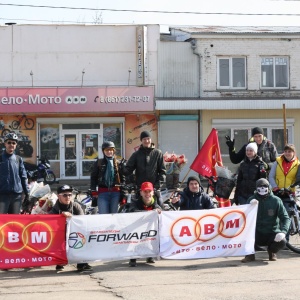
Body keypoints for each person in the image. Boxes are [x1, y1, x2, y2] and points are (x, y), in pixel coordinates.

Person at [241, 178, 290, 263]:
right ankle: (249, 254)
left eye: (265, 186)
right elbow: (244, 217)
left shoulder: (276, 201)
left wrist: (283, 232)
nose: (262, 188)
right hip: (256, 233)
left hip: (271, 232)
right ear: (256, 188)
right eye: (260, 186)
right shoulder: (251, 200)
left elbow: (285, 218)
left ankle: (272, 252)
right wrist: (249, 206)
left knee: (282, 241)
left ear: (269, 187)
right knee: (243, 233)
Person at [49, 184, 93, 272]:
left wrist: (71, 217)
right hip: (60, 236)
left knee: (85, 236)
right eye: (64, 195)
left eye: (70, 195)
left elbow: (82, 221)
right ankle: (60, 261)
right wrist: (61, 216)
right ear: (58, 196)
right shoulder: (54, 209)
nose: (68, 197)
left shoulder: (76, 206)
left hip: (74, 234)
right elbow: (49, 221)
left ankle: (81, 263)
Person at [127, 181, 162, 267]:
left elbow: (161, 209)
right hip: (136, 229)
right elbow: (132, 211)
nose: (147, 194)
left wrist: (158, 211)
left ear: (153, 192)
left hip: (149, 230)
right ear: (141, 193)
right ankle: (133, 257)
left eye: (149, 191)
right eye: (145, 191)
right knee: (134, 236)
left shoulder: (156, 204)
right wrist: (149, 213)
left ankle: (150, 255)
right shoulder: (135, 202)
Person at [124, 130, 166, 195]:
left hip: (154, 188)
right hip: (140, 188)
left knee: (158, 204)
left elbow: (162, 171)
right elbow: (128, 170)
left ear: (151, 139)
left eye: (148, 138)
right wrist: (132, 182)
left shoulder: (158, 153)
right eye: (144, 139)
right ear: (141, 140)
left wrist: (157, 186)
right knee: (138, 205)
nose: (146, 141)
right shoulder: (136, 154)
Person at [90, 141, 125, 214]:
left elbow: (123, 178)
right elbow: (93, 177)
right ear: (103, 151)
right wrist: (93, 190)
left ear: (113, 151)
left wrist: (123, 193)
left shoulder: (118, 163)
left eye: (111, 150)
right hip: (102, 193)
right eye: (107, 150)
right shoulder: (99, 162)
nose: (109, 152)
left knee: (113, 215)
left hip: (115, 193)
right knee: (104, 215)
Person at [0, 132, 30, 214]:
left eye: (13, 143)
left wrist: (27, 193)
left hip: (16, 196)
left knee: (14, 222)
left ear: (16, 145)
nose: (11, 144)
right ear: (5, 143)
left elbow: (23, 177)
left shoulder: (18, 159)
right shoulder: (0, 158)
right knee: (1, 222)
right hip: (2, 195)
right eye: (9, 142)